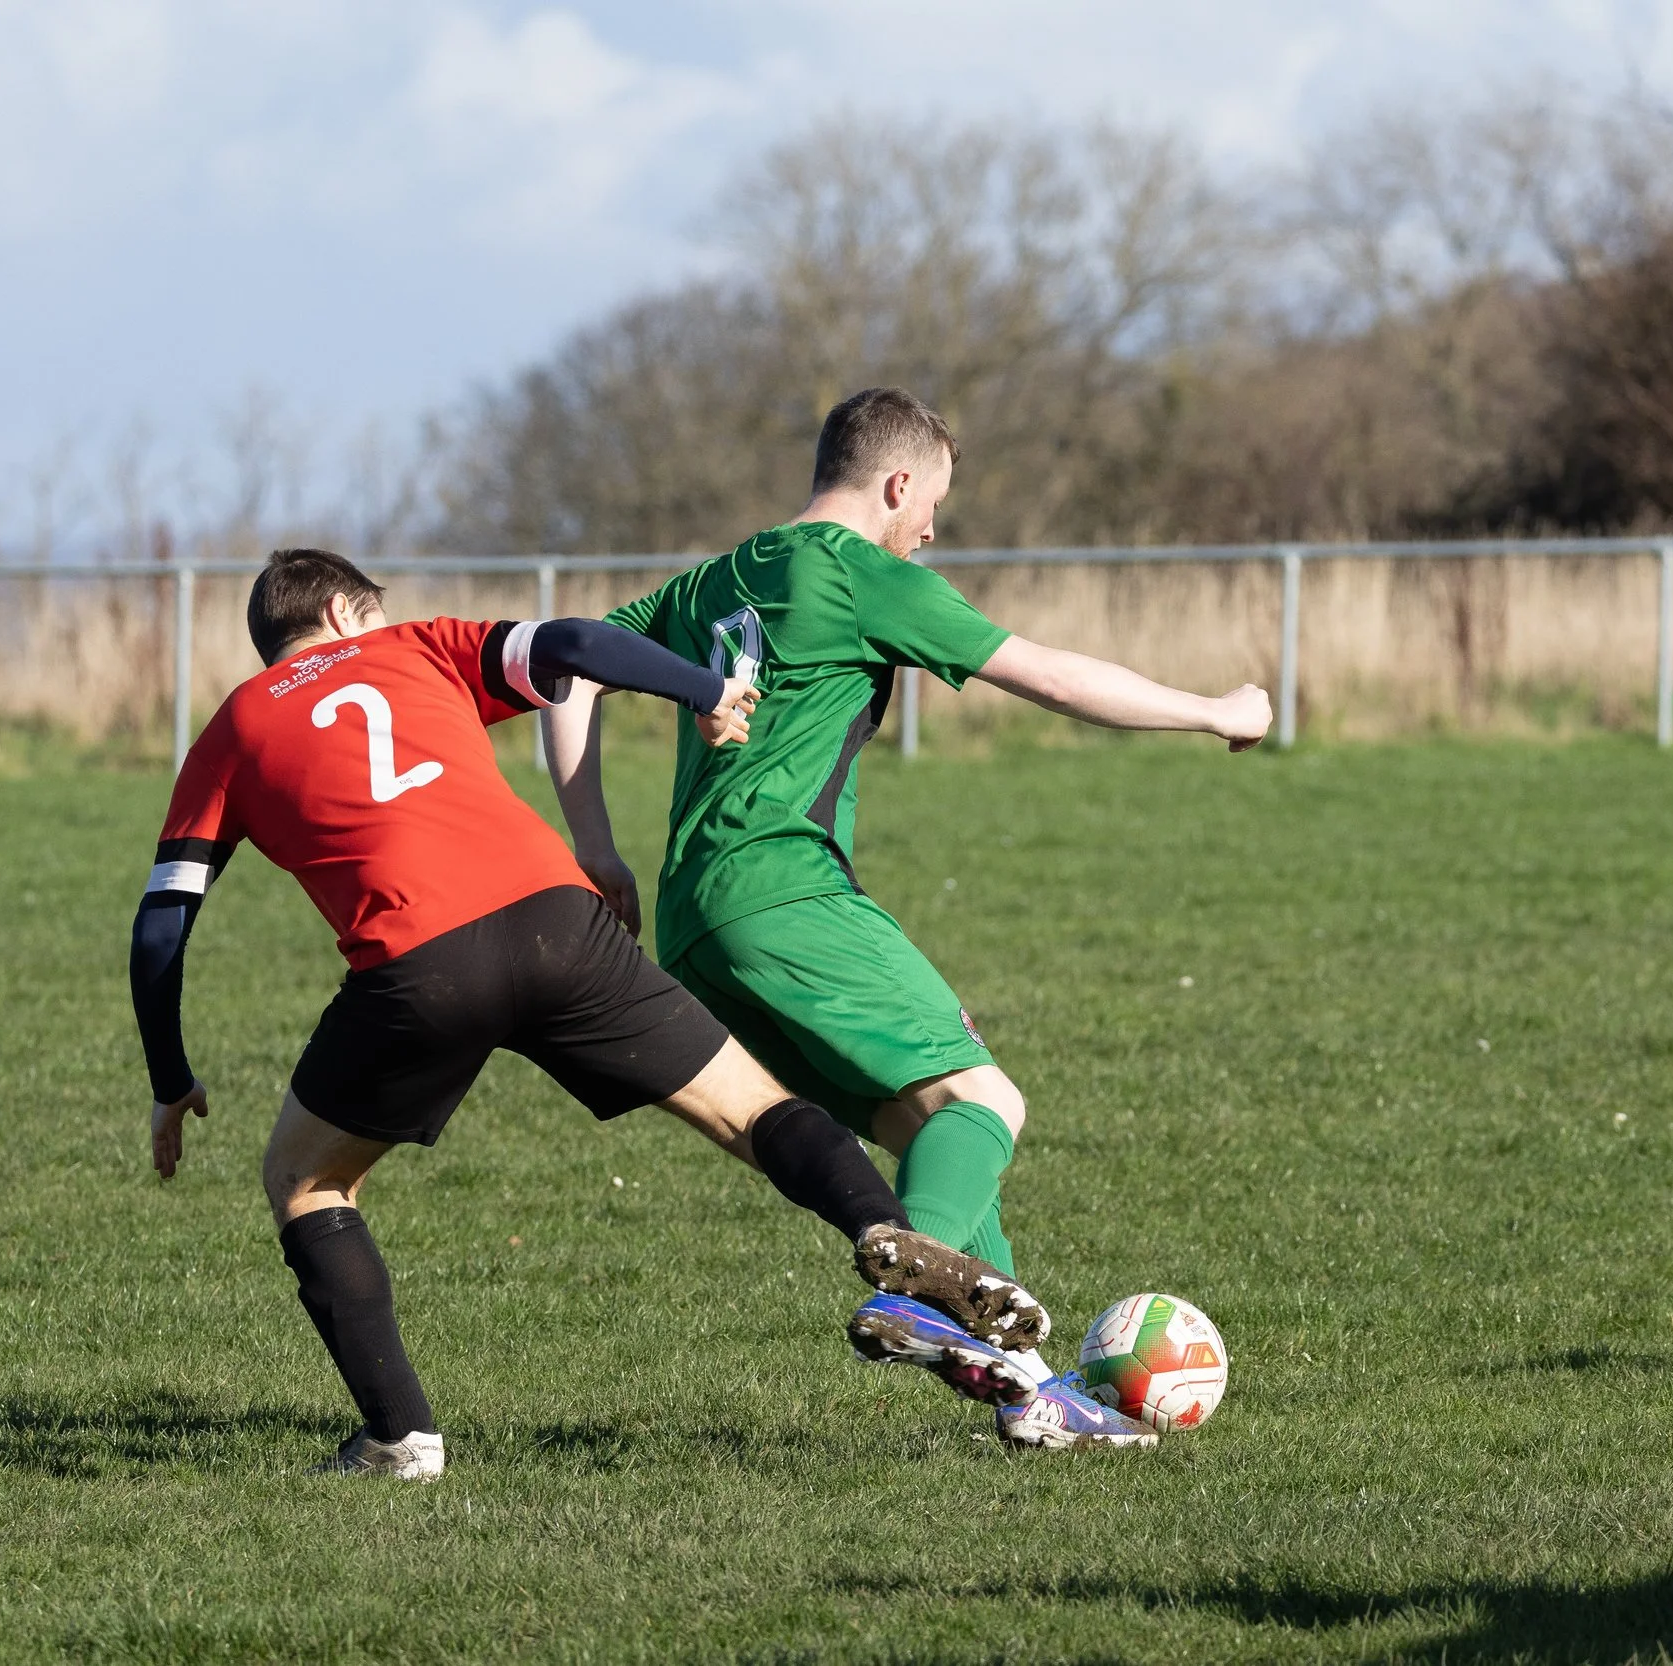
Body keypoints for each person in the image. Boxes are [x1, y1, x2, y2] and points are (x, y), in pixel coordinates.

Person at [128, 547, 1047, 1480]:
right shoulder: (416, 647)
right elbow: (571, 642)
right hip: (557, 922)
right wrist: (703, 687)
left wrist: (171, 1079)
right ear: (339, 611)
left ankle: (399, 1438)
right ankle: (883, 1236)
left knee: (304, 1179)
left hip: (419, 967)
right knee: (754, 1110)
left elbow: (164, 920)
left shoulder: (233, 729)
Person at [542, 389, 1275, 1450]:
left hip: (698, 919)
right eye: (930, 504)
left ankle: (1031, 1391)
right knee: (987, 1098)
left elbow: (565, 663)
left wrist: (592, 844)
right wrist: (1215, 711)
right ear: (895, 485)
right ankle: (915, 1291)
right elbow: (1052, 677)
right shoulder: (858, 573)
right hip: (783, 888)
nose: (930, 530)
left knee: (931, 1122)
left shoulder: (714, 579)